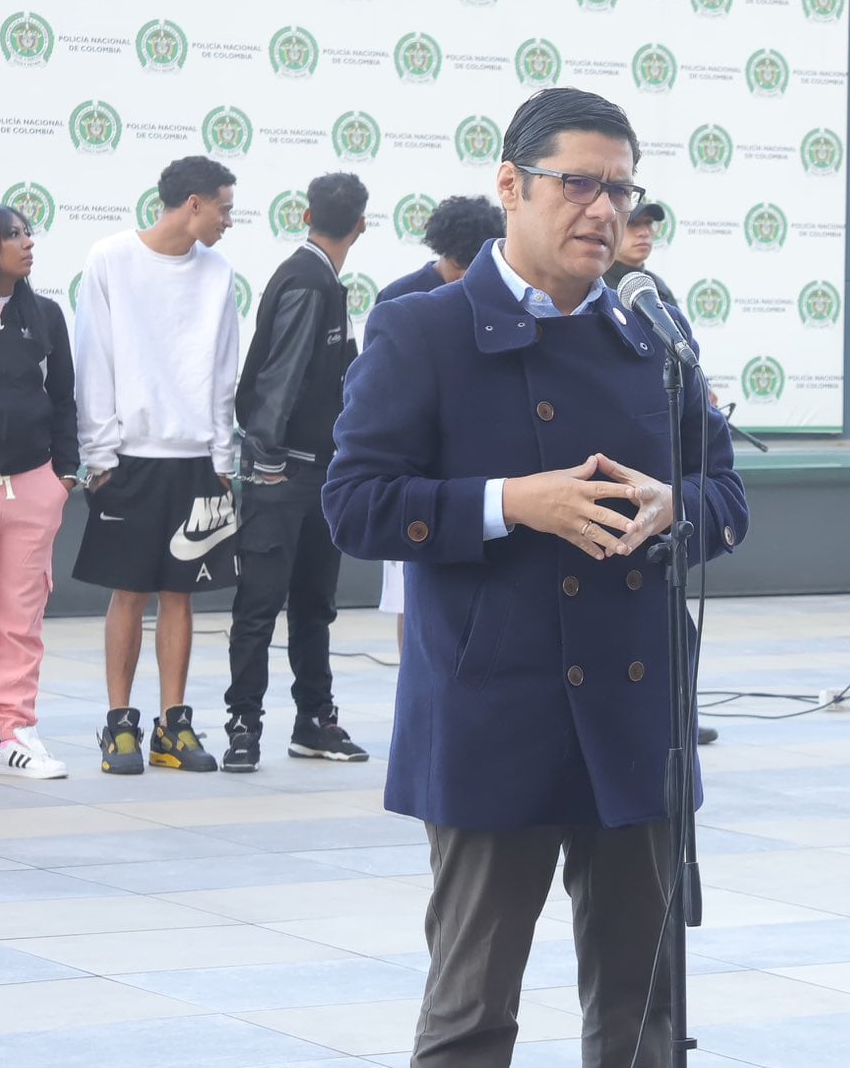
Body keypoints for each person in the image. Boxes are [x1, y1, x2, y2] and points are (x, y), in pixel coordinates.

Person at [322, 87, 747, 1066]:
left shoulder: (652, 332)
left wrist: (675, 506)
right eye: (579, 184)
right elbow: (354, 504)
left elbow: (724, 490)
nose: (604, 211)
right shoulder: (423, 330)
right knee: (470, 1015)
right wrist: (513, 502)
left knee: (644, 1018)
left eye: (622, 190)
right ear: (510, 185)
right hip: (494, 715)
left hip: (636, 719)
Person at [74, 155, 241, 775]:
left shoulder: (219, 272)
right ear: (193, 203)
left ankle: (173, 725)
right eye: (224, 208)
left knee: (180, 595)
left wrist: (223, 458)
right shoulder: (110, 258)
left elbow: (223, 369)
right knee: (129, 593)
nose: (229, 220)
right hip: (128, 459)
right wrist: (99, 457)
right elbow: (93, 358)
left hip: (196, 460)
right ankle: (120, 724)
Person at [223, 172, 370, 773]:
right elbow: (279, 377)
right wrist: (268, 461)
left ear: (307, 215)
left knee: (314, 605)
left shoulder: (322, 279)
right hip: (283, 474)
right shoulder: (309, 280)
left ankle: (313, 721)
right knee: (261, 607)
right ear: (362, 225)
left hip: (320, 476)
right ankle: (245, 726)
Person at [600, 202, 720, 745]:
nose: (644, 233)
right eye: (637, 224)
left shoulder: (649, 294)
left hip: (657, 519)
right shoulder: (597, 294)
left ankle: (679, 718)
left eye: (650, 225)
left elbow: (720, 482)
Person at [377, 194, 508, 652]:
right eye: (465, 266)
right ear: (448, 255)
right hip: (414, 476)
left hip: (473, 472)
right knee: (407, 594)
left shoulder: (495, 297)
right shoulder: (401, 299)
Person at [0, 206, 77, 779]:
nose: (27, 243)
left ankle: (14, 733)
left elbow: (65, 398)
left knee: (20, 622)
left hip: (32, 487)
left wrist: (62, 478)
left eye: (28, 234)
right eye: (13, 235)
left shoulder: (45, 314)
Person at [379, 194, 505, 303]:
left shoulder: (497, 295)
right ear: (443, 251)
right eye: (458, 266)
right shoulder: (396, 296)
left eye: (474, 266)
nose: (464, 277)